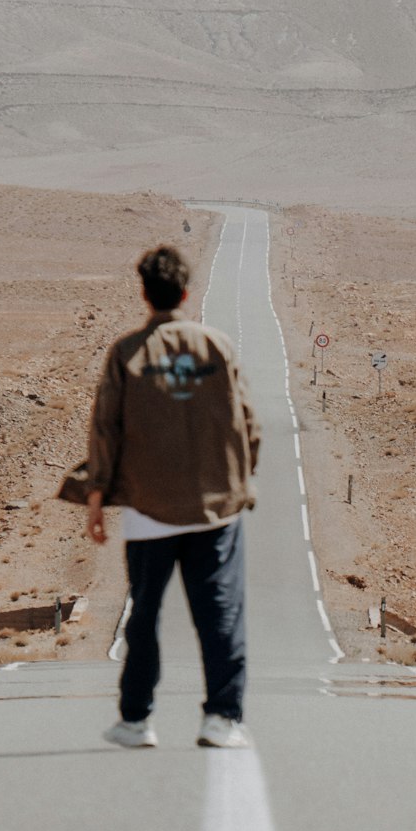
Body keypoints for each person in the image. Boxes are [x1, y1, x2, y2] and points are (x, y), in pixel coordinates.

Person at [86, 244, 260, 749]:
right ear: (186, 291)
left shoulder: (126, 353)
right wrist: (239, 483)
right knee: (220, 612)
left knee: (145, 613)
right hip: (214, 510)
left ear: (145, 293)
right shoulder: (218, 347)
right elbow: (249, 423)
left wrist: (97, 496)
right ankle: (222, 718)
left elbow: (105, 429)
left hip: (148, 511)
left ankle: (137, 720)